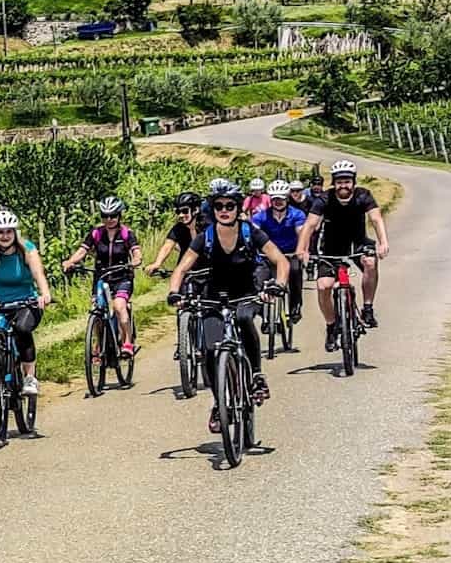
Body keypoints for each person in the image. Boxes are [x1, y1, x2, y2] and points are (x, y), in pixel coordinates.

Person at [167, 189, 290, 435]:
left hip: (246, 293)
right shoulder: (205, 237)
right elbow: (181, 269)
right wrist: (174, 292)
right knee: (210, 351)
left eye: (230, 206)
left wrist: (278, 285)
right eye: (219, 206)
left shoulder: (250, 232)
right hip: (213, 296)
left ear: (238, 208)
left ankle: (256, 375)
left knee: (244, 318)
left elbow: (281, 261)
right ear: (213, 210)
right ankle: (219, 403)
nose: (224, 210)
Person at [300, 159, 391, 349]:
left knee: (370, 262)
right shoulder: (324, 199)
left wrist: (383, 242)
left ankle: (367, 308)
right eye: (339, 181)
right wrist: (303, 249)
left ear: (354, 182)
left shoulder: (363, 196)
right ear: (334, 183)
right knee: (323, 286)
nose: (343, 185)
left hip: (358, 243)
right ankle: (331, 326)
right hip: (330, 247)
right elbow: (309, 225)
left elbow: (376, 219)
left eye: (347, 181)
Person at [0, 210, 54, 397]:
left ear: (15, 232)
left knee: (22, 329)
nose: (4, 236)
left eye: (8, 232)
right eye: (0, 232)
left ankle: (29, 377)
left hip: (26, 303)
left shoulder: (27, 249)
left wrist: (44, 293)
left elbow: (38, 273)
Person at [60, 195, 141, 362]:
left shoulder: (126, 234)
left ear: (119, 215)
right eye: (105, 216)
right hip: (101, 277)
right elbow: (82, 251)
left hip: (121, 276)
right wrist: (71, 261)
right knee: (97, 309)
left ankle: (127, 342)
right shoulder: (96, 233)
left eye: (113, 216)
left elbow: (136, 252)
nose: (109, 219)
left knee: (119, 306)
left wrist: (135, 261)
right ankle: (99, 344)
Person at [251, 179, 308, 323]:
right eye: (275, 198)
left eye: (281, 199)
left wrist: (302, 251)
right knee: (259, 279)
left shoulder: (297, 214)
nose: (278, 202)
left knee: (295, 271)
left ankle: (295, 306)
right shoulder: (261, 216)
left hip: (290, 253)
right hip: (268, 255)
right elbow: (253, 233)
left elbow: (301, 233)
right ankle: (264, 314)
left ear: (287, 198)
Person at [143, 191, 202, 277]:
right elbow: (167, 246)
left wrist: (193, 230)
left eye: (185, 211)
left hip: (208, 271)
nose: (181, 215)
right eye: (178, 212)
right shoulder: (179, 227)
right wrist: (157, 263)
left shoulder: (207, 226)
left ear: (196, 210)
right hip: (185, 270)